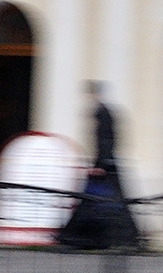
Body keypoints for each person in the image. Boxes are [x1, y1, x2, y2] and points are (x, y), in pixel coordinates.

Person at [57, 81, 140, 249]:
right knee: (109, 201)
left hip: (104, 165)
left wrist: (101, 163)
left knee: (93, 201)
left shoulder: (101, 112)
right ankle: (117, 237)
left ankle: (80, 237)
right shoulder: (106, 111)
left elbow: (104, 139)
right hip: (107, 163)